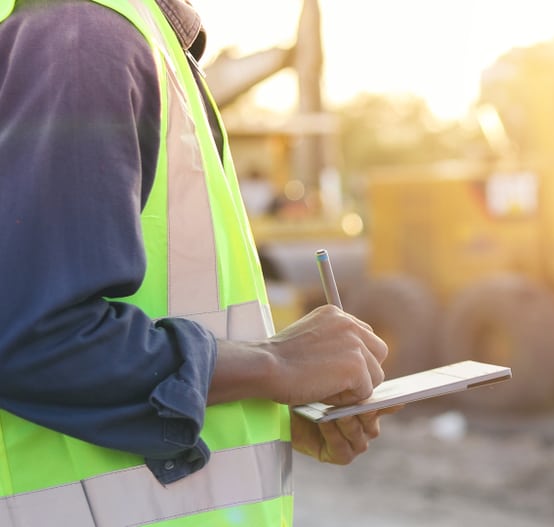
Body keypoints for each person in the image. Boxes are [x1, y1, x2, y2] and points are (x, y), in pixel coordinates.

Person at [0, 0, 396, 525]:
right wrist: (276, 362)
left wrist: (262, 399)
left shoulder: (130, 38)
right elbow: (35, 336)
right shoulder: (82, 36)